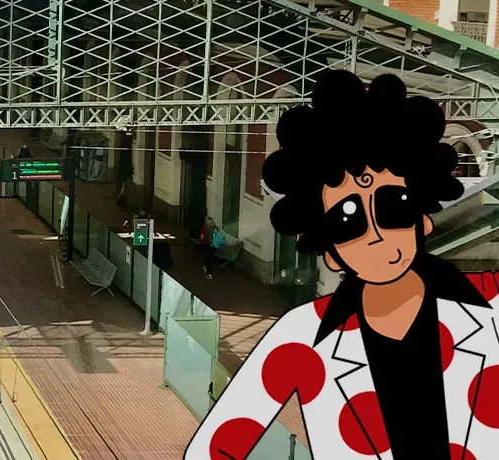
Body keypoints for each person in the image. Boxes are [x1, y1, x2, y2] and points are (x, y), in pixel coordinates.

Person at [186, 71, 497, 459]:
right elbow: (214, 447)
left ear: (423, 219)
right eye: (348, 223)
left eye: (393, 207)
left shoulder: (493, 306)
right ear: (330, 252)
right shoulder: (301, 339)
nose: (378, 234)